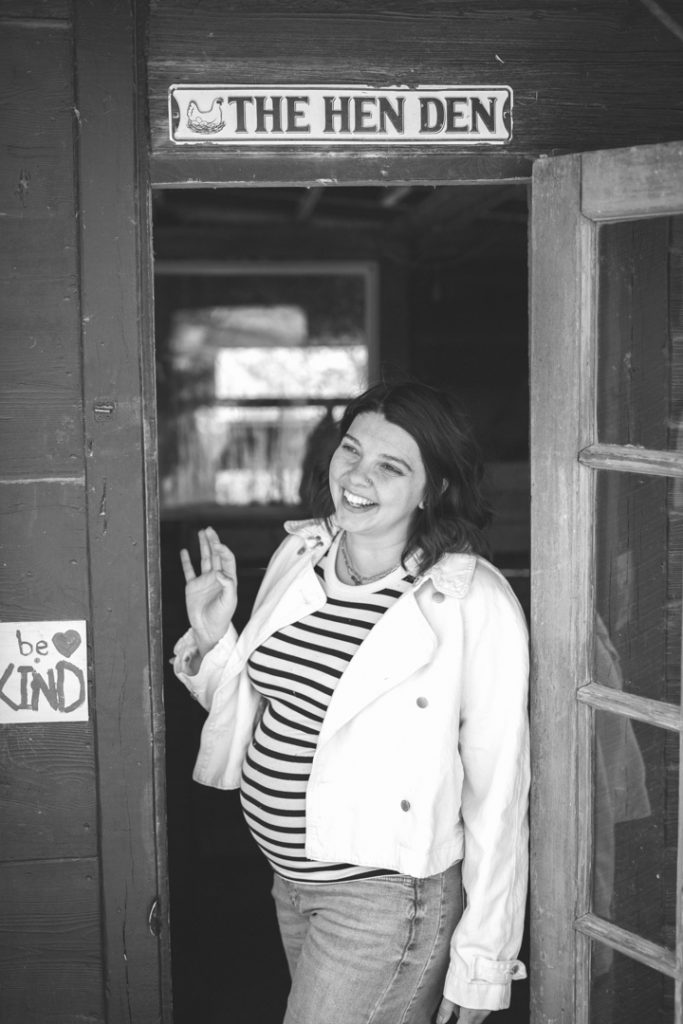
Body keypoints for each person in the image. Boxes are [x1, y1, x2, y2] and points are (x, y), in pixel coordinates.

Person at [173, 380, 530, 1024]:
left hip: (384, 904)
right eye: (352, 450)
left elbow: (498, 791)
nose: (358, 477)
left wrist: (483, 962)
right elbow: (265, 707)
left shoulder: (470, 600)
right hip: (291, 885)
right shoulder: (303, 553)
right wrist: (212, 637)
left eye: (391, 467)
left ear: (433, 488)